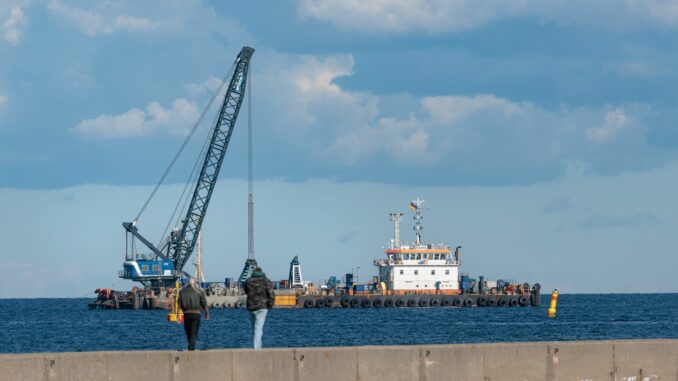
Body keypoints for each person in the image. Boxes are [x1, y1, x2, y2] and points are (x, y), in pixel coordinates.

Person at [244, 266, 274, 350]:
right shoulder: (266, 281)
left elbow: (246, 291)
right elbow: (271, 294)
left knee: (254, 328)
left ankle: (257, 347)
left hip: (251, 307)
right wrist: (270, 305)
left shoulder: (248, 281)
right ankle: (256, 349)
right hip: (262, 307)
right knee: (258, 328)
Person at [178, 278, 209, 351]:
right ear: (194, 283)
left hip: (186, 314)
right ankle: (191, 347)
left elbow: (179, 304)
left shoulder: (182, 291)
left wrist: (178, 315)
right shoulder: (199, 291)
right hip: (196, 314)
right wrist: (207, 313)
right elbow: (204, 302)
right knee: (194, 332)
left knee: (188, 331)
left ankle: (191, 346)